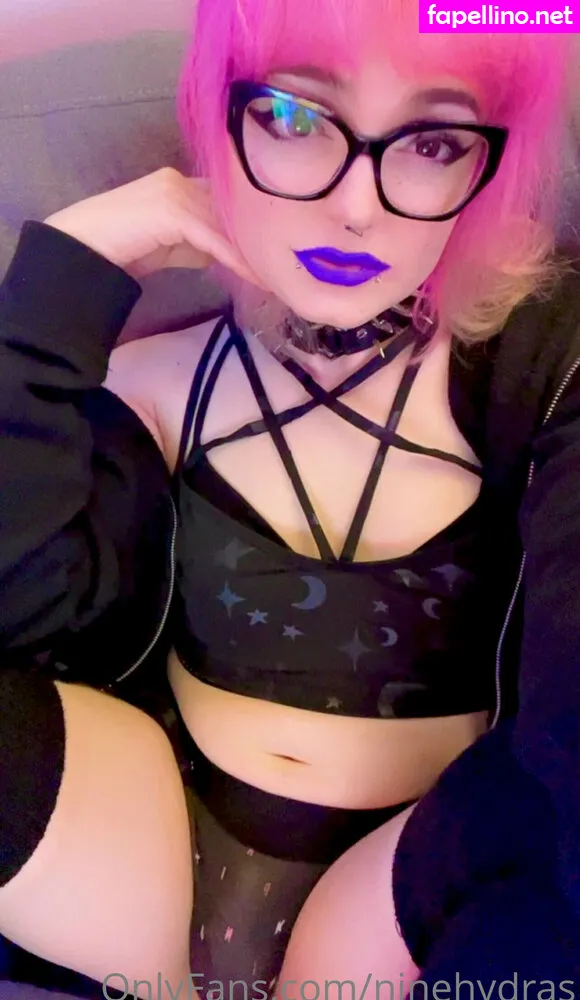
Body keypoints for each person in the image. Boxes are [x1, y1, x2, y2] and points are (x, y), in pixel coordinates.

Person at [0, 0, 578, 991]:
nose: (357, 207)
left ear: (486, 166)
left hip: (413, 910)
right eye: (294, 118)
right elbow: (18, 617)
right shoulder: (154, 379)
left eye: (433, 142)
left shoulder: (546, 367)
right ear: (217, 119)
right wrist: (65, 274)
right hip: (135, 884)